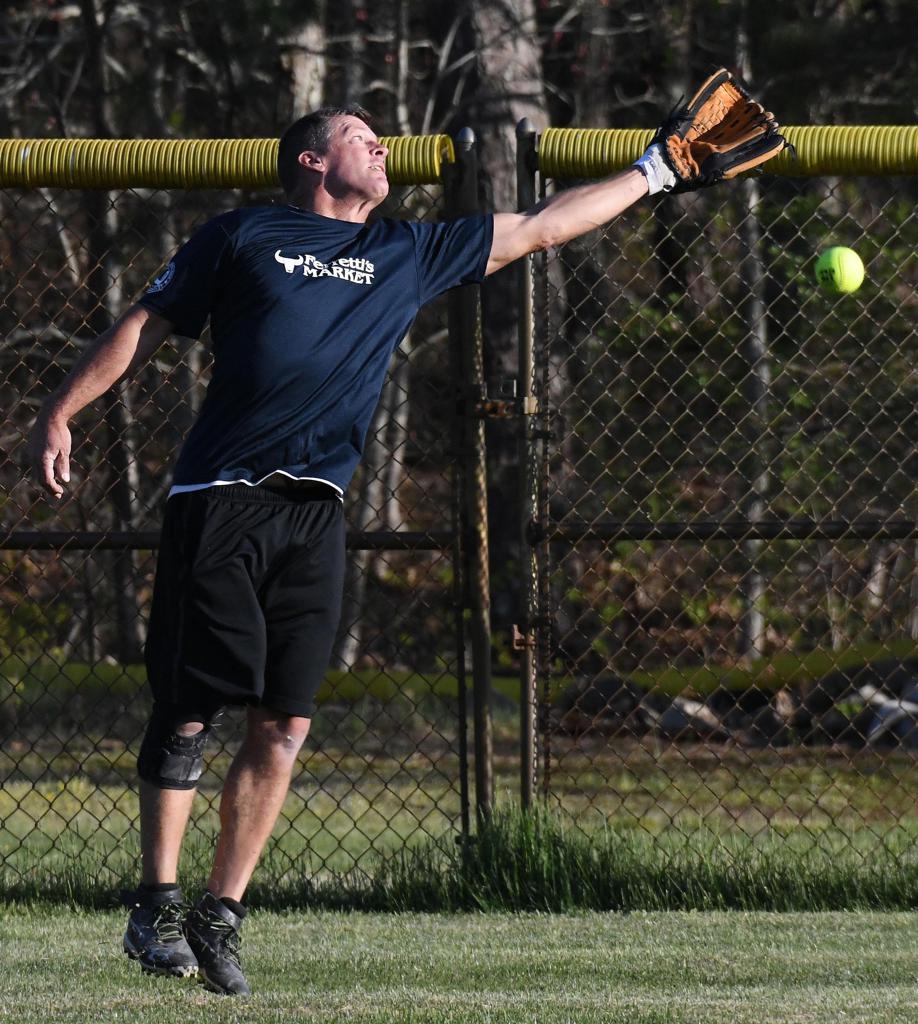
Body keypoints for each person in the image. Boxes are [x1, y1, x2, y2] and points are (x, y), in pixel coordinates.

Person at [29, 105, 676, 996]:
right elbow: (145, 324)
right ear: (311, 159)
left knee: (286, 723)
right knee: (192, 708)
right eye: (358, 135)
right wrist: (62, 411)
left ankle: (221, 914)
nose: (379, 146)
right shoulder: (243, 236)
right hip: (222, 497)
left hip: (316, 515)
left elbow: (541, 226)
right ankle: (156, 905)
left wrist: (655, 171)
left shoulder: (403, 250)